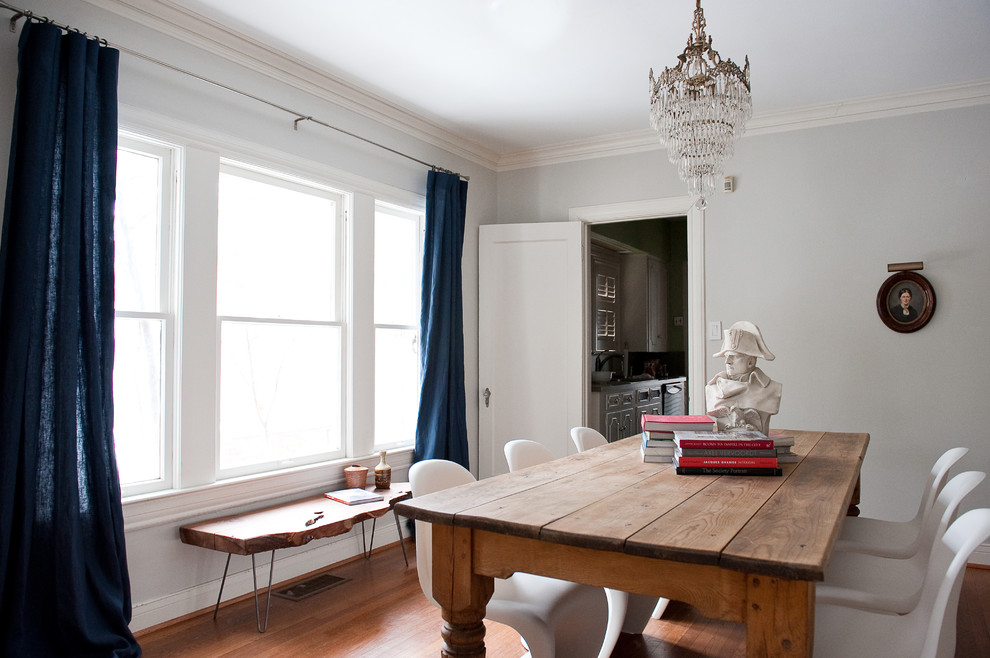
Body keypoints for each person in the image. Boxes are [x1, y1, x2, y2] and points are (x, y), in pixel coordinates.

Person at [705, 321, 782, 435]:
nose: (727, 361)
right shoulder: (713, 388)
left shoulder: (771, 389)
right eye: (726, 356)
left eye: (734, 357)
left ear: (750, 362)